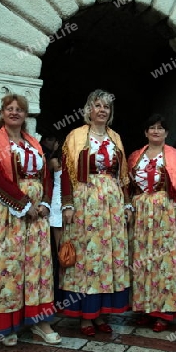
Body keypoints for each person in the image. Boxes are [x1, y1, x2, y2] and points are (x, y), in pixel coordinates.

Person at [0, 94, 61, 346]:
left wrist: (43, 202)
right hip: (8, 213)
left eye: (19, 109)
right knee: (8, 265)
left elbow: (45, 175)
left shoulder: (33, 142)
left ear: (25, 114)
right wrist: (23, 204)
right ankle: (5, 324)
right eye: (9, 109)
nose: (14, 113)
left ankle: (40, 322)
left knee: (38, 266)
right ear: (2, 113)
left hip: (37, 216)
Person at [60, 89, 133, 336]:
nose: (102, 110)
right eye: (98, 106)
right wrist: (68, 204)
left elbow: (123, 176)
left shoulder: (116, 138)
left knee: (108, 257)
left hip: (111, 202)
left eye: (106, 107)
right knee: (86, 257)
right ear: (89, 109)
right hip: (85, 200)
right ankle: (84, 317)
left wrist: (127, 204)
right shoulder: (76, 136)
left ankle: (101, 313)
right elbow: (67, 172)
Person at [127, 113, 176, 332]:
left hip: (166, 210)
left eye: (160, 128)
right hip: (140, 212)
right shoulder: (136, 156)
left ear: (166, 132)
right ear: (146, 132)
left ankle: (163, 313)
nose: (156, 131)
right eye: (151, 127)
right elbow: (126, 186)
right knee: (141, 260)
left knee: (164, 261)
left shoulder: (175, 157)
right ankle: (144, 309)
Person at [49, 139, 63, 249]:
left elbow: (46, 174)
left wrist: (54, 151)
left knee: (58, 242)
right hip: (68, 199)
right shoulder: (74, 163)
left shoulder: (54, 161)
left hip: (56, 199)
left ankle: (60, 263)